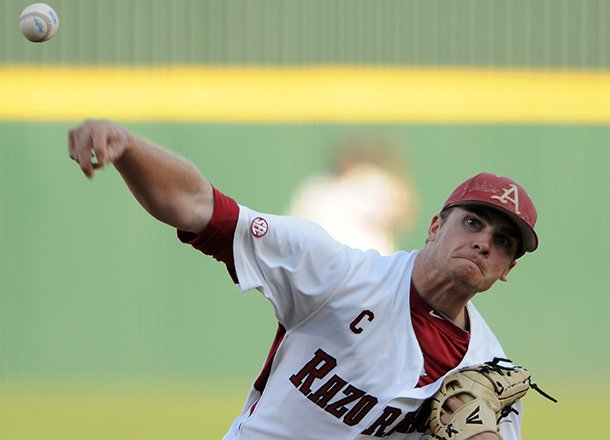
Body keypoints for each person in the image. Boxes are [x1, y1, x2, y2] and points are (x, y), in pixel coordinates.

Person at [68, 120, 539, 440]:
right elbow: (198, 208)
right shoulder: (339, 274)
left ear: (508, 269)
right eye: (473, 223)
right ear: (436, 227)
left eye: (503, 242)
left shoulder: (490, 374)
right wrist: (127, 146)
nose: (484, 243)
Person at [288, 137, 418, 255]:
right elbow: (295, 230)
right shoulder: (318, 189)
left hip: (371, 265)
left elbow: (403, 213)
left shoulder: (374, 182)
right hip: (326, 265)